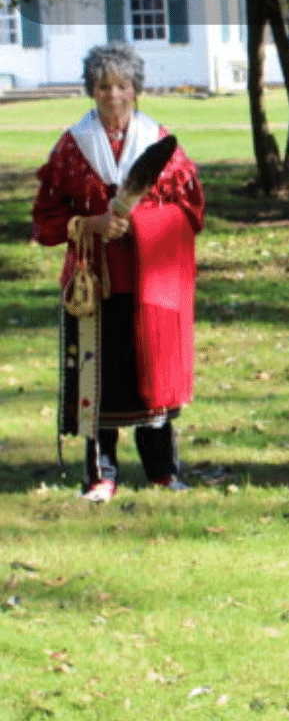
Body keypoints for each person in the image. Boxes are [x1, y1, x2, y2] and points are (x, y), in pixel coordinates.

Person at [32, 43, 204, 502]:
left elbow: (191, 208)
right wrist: (91, 224)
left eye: (122, 86)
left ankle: (162, 470)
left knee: (152, 372)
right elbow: (45, 218)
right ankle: (100, 475)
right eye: (104, 86)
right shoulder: (73, 147)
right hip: (95, 281)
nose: (113, 96)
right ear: (92, 90)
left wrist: (141, 223)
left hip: (152, 282)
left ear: (136, 91)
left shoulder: (159, 142)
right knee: (99, 377)